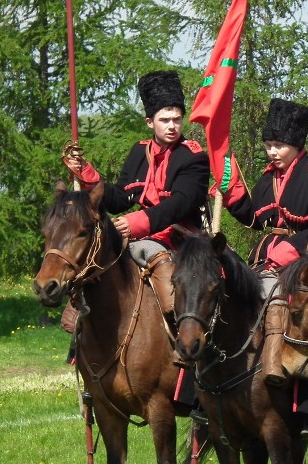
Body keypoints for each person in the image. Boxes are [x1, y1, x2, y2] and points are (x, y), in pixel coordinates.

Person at [219, 98, 308, 436]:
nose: (272, 152)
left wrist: (291, 250)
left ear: (296, 144)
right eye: (269, 145)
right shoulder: (268, 178)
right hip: (267, 258)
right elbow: (254, 217)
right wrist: (230, 187)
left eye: (279, 145)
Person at [62, 70, 210, 337]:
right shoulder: (138, 152)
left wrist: (136, 222)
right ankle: (84, 337)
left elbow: (180, 204)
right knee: (91, 264)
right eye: (164, 120)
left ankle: (183, 343)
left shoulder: (194, 156)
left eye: (176, 119)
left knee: (170, 292)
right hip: (140, 236)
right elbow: (120, 198)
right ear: (149, 122)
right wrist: (86, 173)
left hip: (181, 239)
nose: (172, 126)